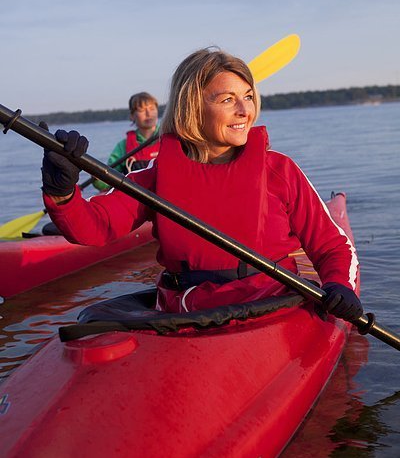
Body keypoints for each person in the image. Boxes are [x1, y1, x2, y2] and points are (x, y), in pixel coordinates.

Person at [41, 48, 363, 320]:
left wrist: (338, 284)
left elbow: (331, 246)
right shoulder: (156, 176)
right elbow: (94, 226)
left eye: (248, 97)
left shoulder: (278, 170)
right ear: (193, 106)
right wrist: (63, 192)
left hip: (268, 303)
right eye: (227, 99)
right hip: (183, 312)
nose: (244, 111)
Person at [93, 92, 160, 191]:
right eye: (142, 110)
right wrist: (97, 178)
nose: (148, 114)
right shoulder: (123, 147)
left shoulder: (170, 139)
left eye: (152, 109)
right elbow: (107, 181)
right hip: (139, 199)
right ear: (132, 116)